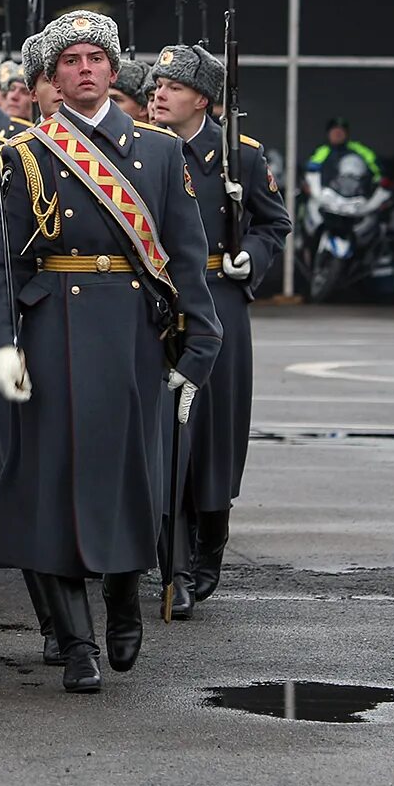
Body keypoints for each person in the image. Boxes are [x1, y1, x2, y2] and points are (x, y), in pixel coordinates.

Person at [0, 11, 220, 694]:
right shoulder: (17, 157)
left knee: (124, 479)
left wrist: (200, 342)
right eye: (71, 60)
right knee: (48, 484)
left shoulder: (160, 153)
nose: (84, 69)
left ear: (114, 71)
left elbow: (184, 258)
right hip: (49, 331)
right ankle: (76, 641)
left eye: (96, 58)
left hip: (128, 336)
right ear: (52, 76)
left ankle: (121, 595)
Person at [148, 43, 291, 616]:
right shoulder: (139, 148)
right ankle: (173, 567)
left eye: (173, 87)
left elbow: (273, 222)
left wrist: (250, 257)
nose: (158, 93)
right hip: (161, 299)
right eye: (157, 84)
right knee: (166, 432)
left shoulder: (243, 157)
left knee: (215, 429)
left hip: (219, 297)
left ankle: (212, 536)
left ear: (202, 99)